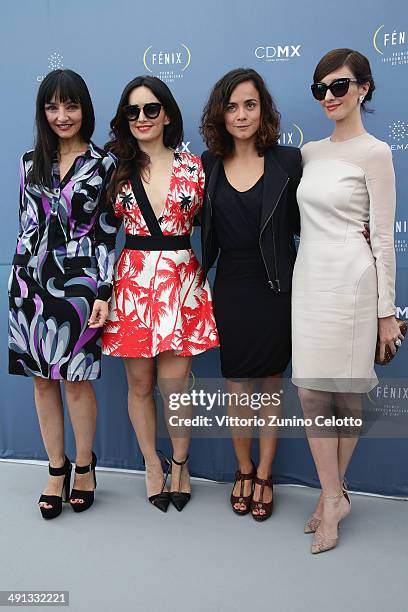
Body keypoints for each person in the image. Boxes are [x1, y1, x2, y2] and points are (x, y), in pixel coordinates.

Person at [292, 48, 404, 553]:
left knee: (347, 393)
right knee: (311, 392)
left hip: (354, 281)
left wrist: (387, 313)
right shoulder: (310, 153)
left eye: (339, 86)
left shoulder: (376, 152)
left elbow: (382, 238)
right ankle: (334, 494)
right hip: (310, 276)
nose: (329, 97)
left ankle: (331, 497)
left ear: (363, 88)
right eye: (321, 90)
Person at [101, 76, 219, 512]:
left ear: (167, 114)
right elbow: (99, 232)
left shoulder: (194, 167)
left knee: (175, 387)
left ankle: (182, 463)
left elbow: (219, 222)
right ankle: (152, 463)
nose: (142, 118)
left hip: (181, 282)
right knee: (140, 383)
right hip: (132, 283)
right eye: (132, 111)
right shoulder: (114, 168)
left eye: (151, 109)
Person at [8, 69, 117, 519]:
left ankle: (86, 466)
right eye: (53, 106)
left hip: (80, 285)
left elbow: (110, 233)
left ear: (84, 109)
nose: (62, 115)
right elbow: (25, 224)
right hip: (29, 283)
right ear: (43, 111)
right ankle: (57, 468)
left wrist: (104, 290)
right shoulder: (27, 160)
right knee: (41, 381)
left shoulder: (104, 163)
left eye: (70, 105)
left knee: (75, 381)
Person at [200, 68, 302, 521]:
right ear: (220, 113)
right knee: (237, 385)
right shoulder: (205, 165)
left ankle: (264, 473)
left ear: (263, 111)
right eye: (232, 106)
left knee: (270, 385)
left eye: (250, 105)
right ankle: (242, 468)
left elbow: (308, 225)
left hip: (277, 289)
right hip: (232, 289)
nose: (240, 115)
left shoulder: (290, 162)